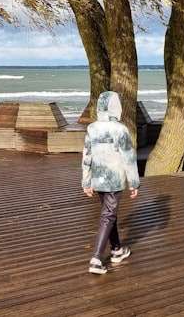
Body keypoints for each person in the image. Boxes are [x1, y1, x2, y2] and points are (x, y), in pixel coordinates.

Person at [81, 90, 139, 275]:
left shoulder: (92, 128)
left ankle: (116, 250)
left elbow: (86, 157)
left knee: (109, 212)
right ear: (116, 107)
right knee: (108, 214)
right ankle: (96, 259)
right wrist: (134, 182)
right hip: (114, 178)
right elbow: (128, 158)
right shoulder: (120, 129)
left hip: (98, 177)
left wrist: (86, 181)